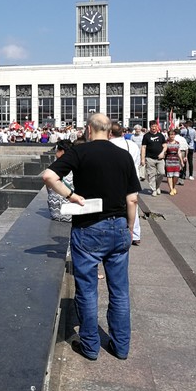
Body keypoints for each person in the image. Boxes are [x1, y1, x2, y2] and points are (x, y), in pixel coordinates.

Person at [43, 113, 139, 361]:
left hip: (88, 228)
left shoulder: (79, 152)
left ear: (88, 129)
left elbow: (48, 176)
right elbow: (132, 199)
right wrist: (128, 229)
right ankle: (121, 347)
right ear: (109, 131)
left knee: (87, 291)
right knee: (119, 291)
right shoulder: (124, 155)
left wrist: (71, 196)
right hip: (118, 226)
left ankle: (90, 347)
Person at [110, 122, 142, 245]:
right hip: (133, 179)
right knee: (133, 206)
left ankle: (118, 233)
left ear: (110, 133)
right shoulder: (132, 145)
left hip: (115, 180)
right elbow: (137, 163)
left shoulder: (109, 145)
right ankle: (135, 234)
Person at [46, 139, 75, 222]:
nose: (55, 153)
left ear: (62, 151)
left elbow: (48, 186)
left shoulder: (54, 167)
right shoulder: (75, 165)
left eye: (57, 150)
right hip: (71, 214)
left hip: (55, 213)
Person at [141, 121, 167, 196]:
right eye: (152, 126)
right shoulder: (146, 136)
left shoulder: (161, 135)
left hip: (160, 159)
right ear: (150, 127)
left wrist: (162, 153)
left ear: (157, 127)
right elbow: (143, 147)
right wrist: (142, 159)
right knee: (151, 175)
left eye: (155, 126)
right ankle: (154, 189)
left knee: (162, 173)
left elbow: (165, 146)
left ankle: (157, 185)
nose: (154, 128)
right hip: (150, 158)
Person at [164, 129, 184, 195]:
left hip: (176, 161)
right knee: (169, 175)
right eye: (170, 135)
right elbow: (164, 151)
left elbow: (179, 152)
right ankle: (171, 189)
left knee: (176, 176)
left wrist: (181, 161)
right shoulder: (166, 143)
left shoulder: (177, 143)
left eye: (173, 134)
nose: (172, 136)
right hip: (169, 160)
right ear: (168, 135)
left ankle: (173, 187)